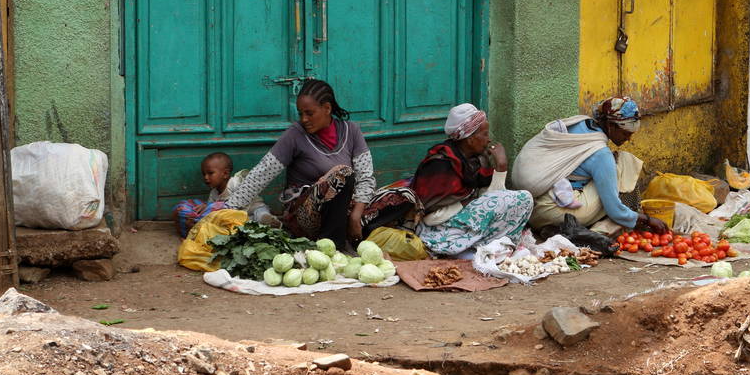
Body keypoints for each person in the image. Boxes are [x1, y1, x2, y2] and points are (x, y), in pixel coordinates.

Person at [226, 79, 414, 248]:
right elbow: (262, 173)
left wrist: (356, 215)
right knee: (342, 174)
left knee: (405, 195)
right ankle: (333, 245)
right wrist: (227, 208)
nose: (304, 119)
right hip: (305, 216)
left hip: (345, 212)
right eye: (301, 114)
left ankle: (351, 229)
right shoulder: (295, 134)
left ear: (327, 108)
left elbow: (366, 177)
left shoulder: (352, 131)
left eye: (309, 113)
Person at [513, 96, 669, 236]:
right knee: (623, 165)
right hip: (553, 212)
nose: (628, 139)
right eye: (625, 133)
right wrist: (647, 219)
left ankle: (553, 227)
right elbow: (614, 210)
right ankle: (592, 229)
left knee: (604, 174)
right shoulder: (601, 154)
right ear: (611, 126)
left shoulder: (580, 124)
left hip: (530, 208)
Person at [410, 103, 533, 256]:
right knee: (521, 198)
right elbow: (430, 218)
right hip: (437, 230)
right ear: (470, 139)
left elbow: (494, 198)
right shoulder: (441, 165)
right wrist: (469, 201)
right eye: (485, 134)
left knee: (523, 199)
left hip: (462, 222)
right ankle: (471, 249)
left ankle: (483, 247)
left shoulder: (475, 160)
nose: (489, 139)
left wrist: (500, 168)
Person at [171, 152, 278, 237]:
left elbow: (242, 197)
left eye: (210, 173)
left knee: (260, 214)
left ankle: (269, 220)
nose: (206, 178)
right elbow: (212, 211)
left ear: (225, 174)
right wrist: (205, 208)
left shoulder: (235, 182)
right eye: (204, 174)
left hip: (254, 208)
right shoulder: (214, 193)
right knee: (247, 224)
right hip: (242, 215)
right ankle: (261, 225)